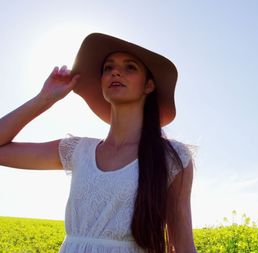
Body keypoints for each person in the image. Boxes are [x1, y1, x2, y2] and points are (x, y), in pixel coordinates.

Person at [0, 33, 198, 253]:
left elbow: (182, 244)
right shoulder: (77, 150)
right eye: (107, 68)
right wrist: (45, 98)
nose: (115, 71)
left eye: (130, 67)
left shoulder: (172, 157)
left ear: (149, 85)